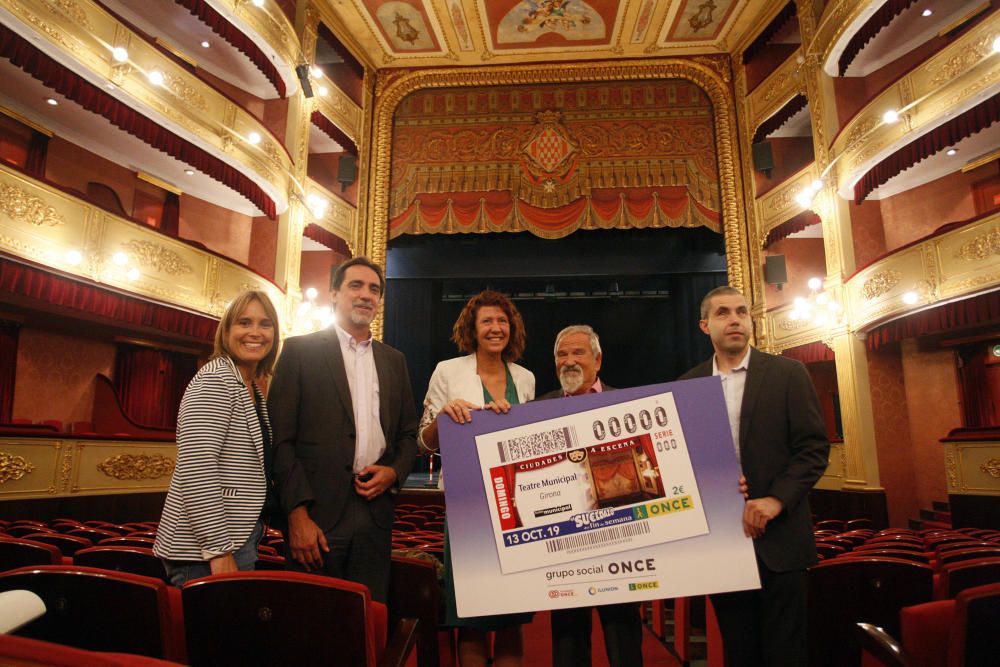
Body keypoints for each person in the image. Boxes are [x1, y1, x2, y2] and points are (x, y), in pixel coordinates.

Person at [680, 286, 830, 667]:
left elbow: (813, 449)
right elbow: (681, 464)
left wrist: (774, 499)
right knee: (739, 650)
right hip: (723, 541)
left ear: (751, 321)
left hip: (782, 540)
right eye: (723, 313)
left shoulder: (788, 373)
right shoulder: (686, 386)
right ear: (704, 325)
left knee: (786, 654)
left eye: (742, 312)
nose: (734, 319)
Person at [268, 257, 418, 603]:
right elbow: (282, 441)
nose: (366, 295)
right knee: (313, 628)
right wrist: (297, 514)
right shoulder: (299, 351)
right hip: (316, 518)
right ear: (334, 294)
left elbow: (409, 435)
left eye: (374, 289)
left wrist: (394, 472)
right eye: (356, 286)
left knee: (367, 625)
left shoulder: (395, 361)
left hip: (375, 517)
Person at [418, 290, 534, 667]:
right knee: (471, 617)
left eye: (502, 321)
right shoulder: (447, 371)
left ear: (511, 327)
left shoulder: (526, 378)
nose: (495, 328)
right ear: (472, 328)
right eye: (487, 321)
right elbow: (424, 442)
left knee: (512, 616)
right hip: (467, 507)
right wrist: (444, 418)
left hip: (519, 508)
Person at [153, 289, 280, 586]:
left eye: (265, 324)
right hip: (205, 552)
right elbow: (197, 469)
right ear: (226, 331)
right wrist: (219, 550)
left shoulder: (250, 387)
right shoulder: (216, 380)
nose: (255, 332)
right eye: (244, 322)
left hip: (236, 539)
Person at [536, 324, 644, 667]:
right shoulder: (537, 410)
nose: (569, 360)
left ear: (597, 360)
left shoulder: (628, 406)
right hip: (566, 546)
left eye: (578, 352)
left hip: (620, 540)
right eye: (562, 355)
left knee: (624, 639)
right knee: (568, 645)